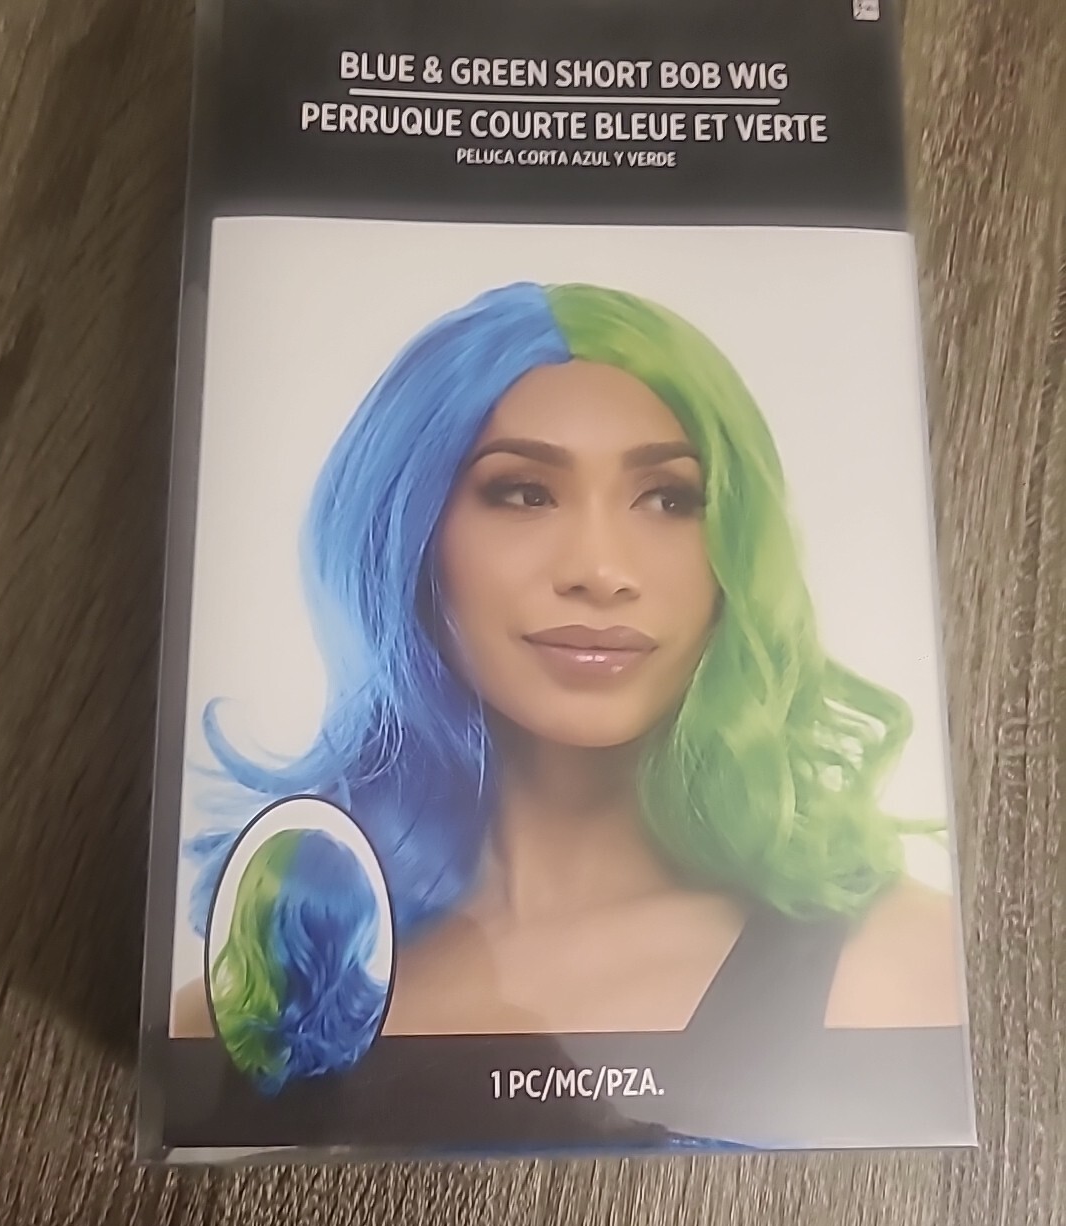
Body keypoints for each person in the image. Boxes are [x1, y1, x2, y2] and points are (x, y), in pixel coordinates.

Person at [171, 281, 961, 1083]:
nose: (601, 571)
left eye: (668, 498)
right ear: (406, 533)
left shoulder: (904, 969)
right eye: (524, 493)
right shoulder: (260, 1007)